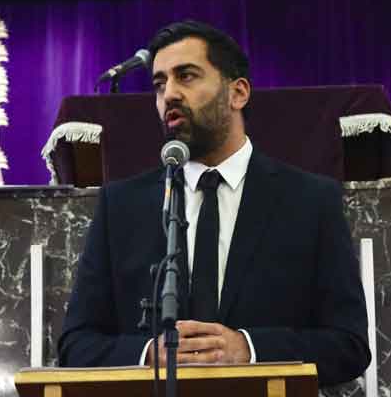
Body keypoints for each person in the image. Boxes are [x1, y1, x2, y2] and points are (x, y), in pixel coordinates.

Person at [58, 20, 370, 386]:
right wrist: (147, 357)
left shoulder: (310, 200)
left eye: (186, 76)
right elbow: (76, 345)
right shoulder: (121, 205)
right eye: (159, 85)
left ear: (237, 93)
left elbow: (349, 344)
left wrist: (249, 349)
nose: (169, 95)